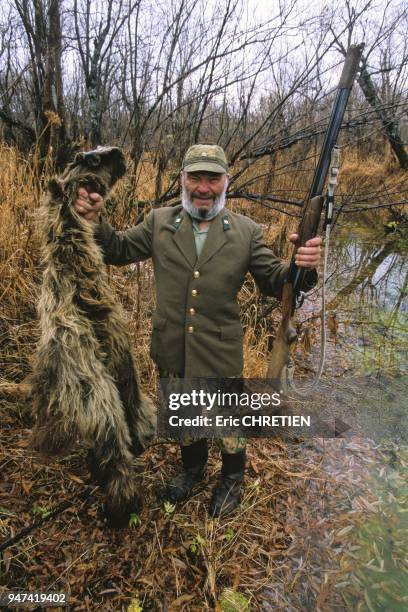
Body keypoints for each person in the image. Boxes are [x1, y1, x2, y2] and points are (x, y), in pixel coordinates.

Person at [74, 144, 322, 517]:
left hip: (219, 352)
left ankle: (232, 478)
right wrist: (94, 220)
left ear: (226, 181)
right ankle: (192, 469)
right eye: (195, 177)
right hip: (172, 346)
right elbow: (118, 249)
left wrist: (302, 267)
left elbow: (277, 281)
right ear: (182, 180)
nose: (203, 187)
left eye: (212, 178)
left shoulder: (246, 231)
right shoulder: (159, 221)